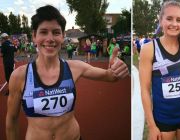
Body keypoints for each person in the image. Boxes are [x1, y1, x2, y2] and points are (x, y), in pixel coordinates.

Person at [6, 5, 129, 140]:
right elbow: (12, 120)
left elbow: (110, 76)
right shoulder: (19, 76)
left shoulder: (75, 68)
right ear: (34, 36)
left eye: (56, 32)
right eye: (43, 32)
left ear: (63, 36)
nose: (50, 38)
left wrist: (117, 69)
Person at [139, 1, 180, 140]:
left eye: (179, 20)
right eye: (169, 18)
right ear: (161, 20)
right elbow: (145, 89)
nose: (174, 24)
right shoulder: (149, 49)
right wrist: (151, 126)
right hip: (162, 119)